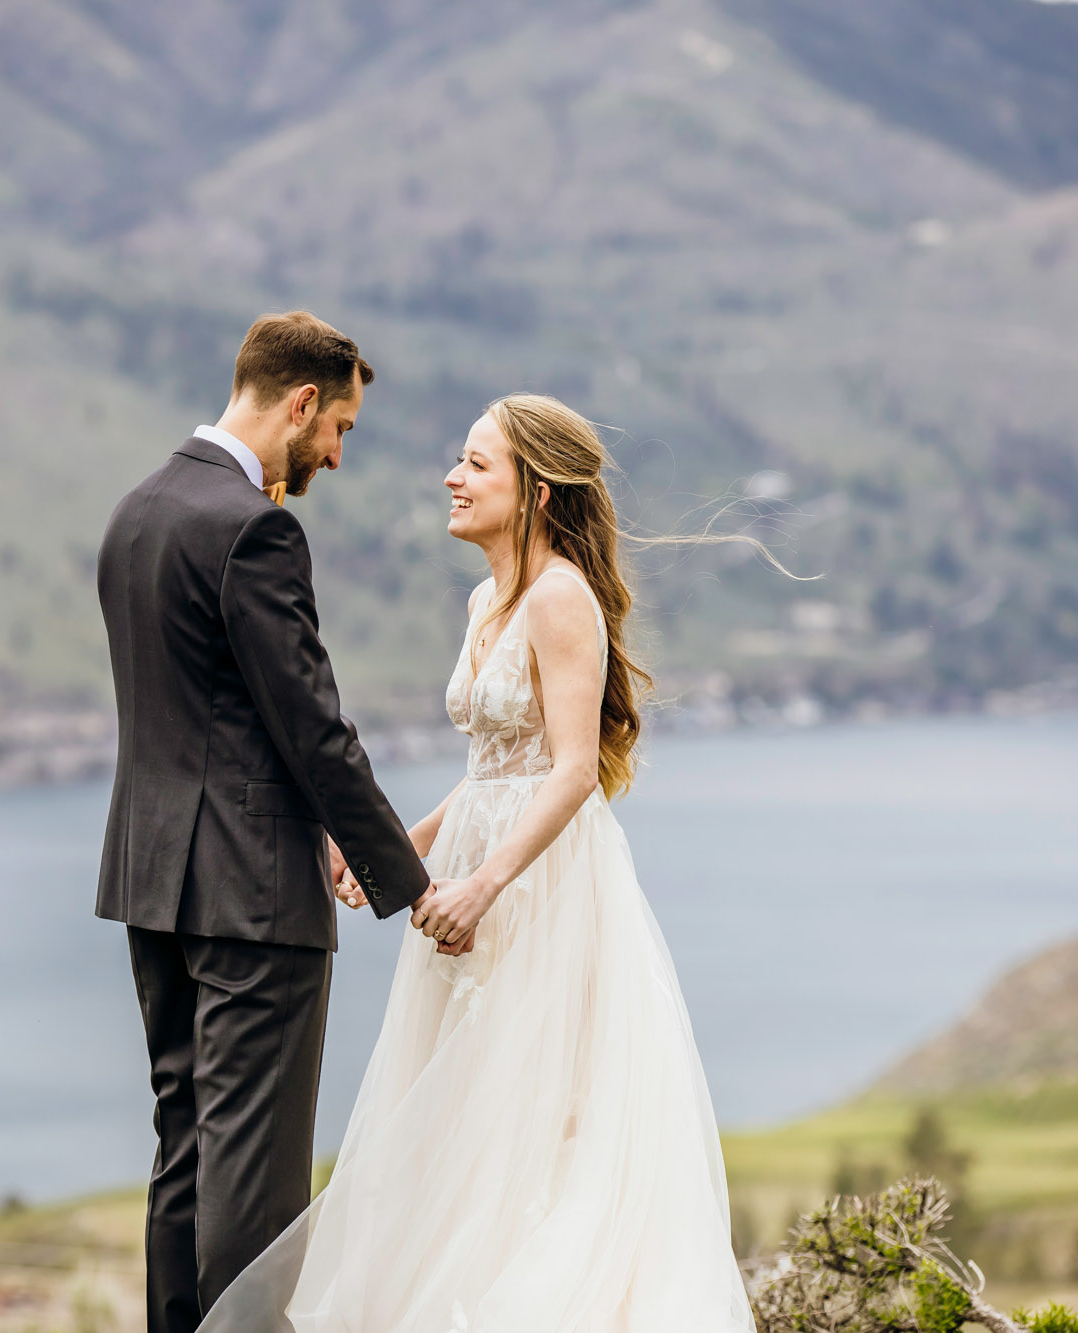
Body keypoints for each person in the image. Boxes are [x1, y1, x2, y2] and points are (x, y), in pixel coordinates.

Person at [196, 393, 754, 1331]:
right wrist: (406, 850)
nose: (452, 479)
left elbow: (573, 768)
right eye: (458, 461)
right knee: (462, 1106)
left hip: (537, 890)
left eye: (477, 465)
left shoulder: (562, 596)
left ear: (535, 490)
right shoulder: (482, 600)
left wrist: (487, 883)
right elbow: (495, 765)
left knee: (537, 1113)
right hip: (465, 874)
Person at [93, 311, 451, 1333]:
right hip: (251, 896)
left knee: (188, 1157)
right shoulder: (252, 526)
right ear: (298, 401)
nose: (335, 454)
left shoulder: (136, 511)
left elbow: (214, 715)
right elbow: (310, 726)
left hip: (152, 881)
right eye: (337, 425)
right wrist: (414, 886)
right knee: (252, 1192)